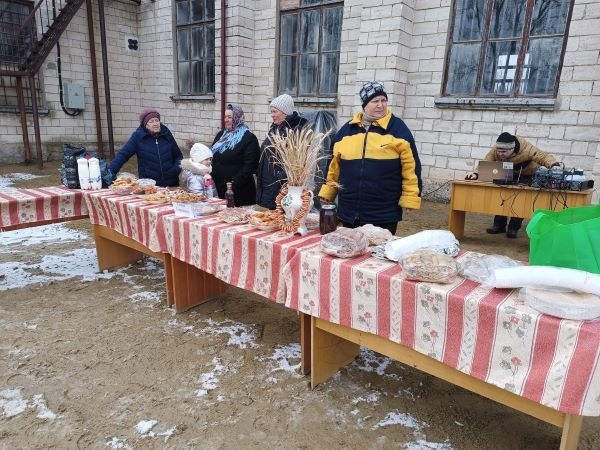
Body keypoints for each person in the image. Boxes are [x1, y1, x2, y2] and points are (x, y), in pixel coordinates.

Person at [318, 81, 422, 235]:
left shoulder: (398, 129)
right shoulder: (346, 131)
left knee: (378, 249)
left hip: (383, 212)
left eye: (383, 100)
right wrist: (328, 193)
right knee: (348, 246)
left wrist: (410, 196)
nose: (380, 105)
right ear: (364, 104)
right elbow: (333, 168)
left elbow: (411, 167)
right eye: (375, 101)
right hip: (348, 210)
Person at [466, 132, 560, 238]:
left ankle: (513, 228)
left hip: (526, 174)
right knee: (502, 198)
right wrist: (476, 174)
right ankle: (499, 225)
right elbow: (487, 161)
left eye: (504, 152)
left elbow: (543, 156)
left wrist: (554, 165)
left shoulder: (526, 148)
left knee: (519, 200)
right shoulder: (496, 149)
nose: (500, 154)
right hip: (506, 173)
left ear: (513, 149)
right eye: (499, 151)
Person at [256, 94, 308, 210]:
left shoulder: (295, 130)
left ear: (285, 112)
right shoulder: (275, 128)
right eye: (271, 112)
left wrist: (278, 178)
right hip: (266, 186)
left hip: (280, 189)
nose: (272, 115)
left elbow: (297, 164)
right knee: (267, 218)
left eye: (275, 111)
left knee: (280, 218)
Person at [109, 108, 183, 187]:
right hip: (149, 186)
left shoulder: (166, 134)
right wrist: (110, 173)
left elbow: (178, 156)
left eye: (157, 120)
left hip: (172, 185)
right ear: (145, 124)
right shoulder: (138, 136)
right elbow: (123, 154)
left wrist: (175, 171)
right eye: (151, 121)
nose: (155, 124)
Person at [210, 104, 260, 206]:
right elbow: (212, 157)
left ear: (238, 118)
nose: (226, 120)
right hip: (219, 190)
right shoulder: (221, 135)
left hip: (239, 192)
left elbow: (250, 166)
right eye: (225, 117)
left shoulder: (248, 138)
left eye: (229, 117)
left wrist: (234, 184)